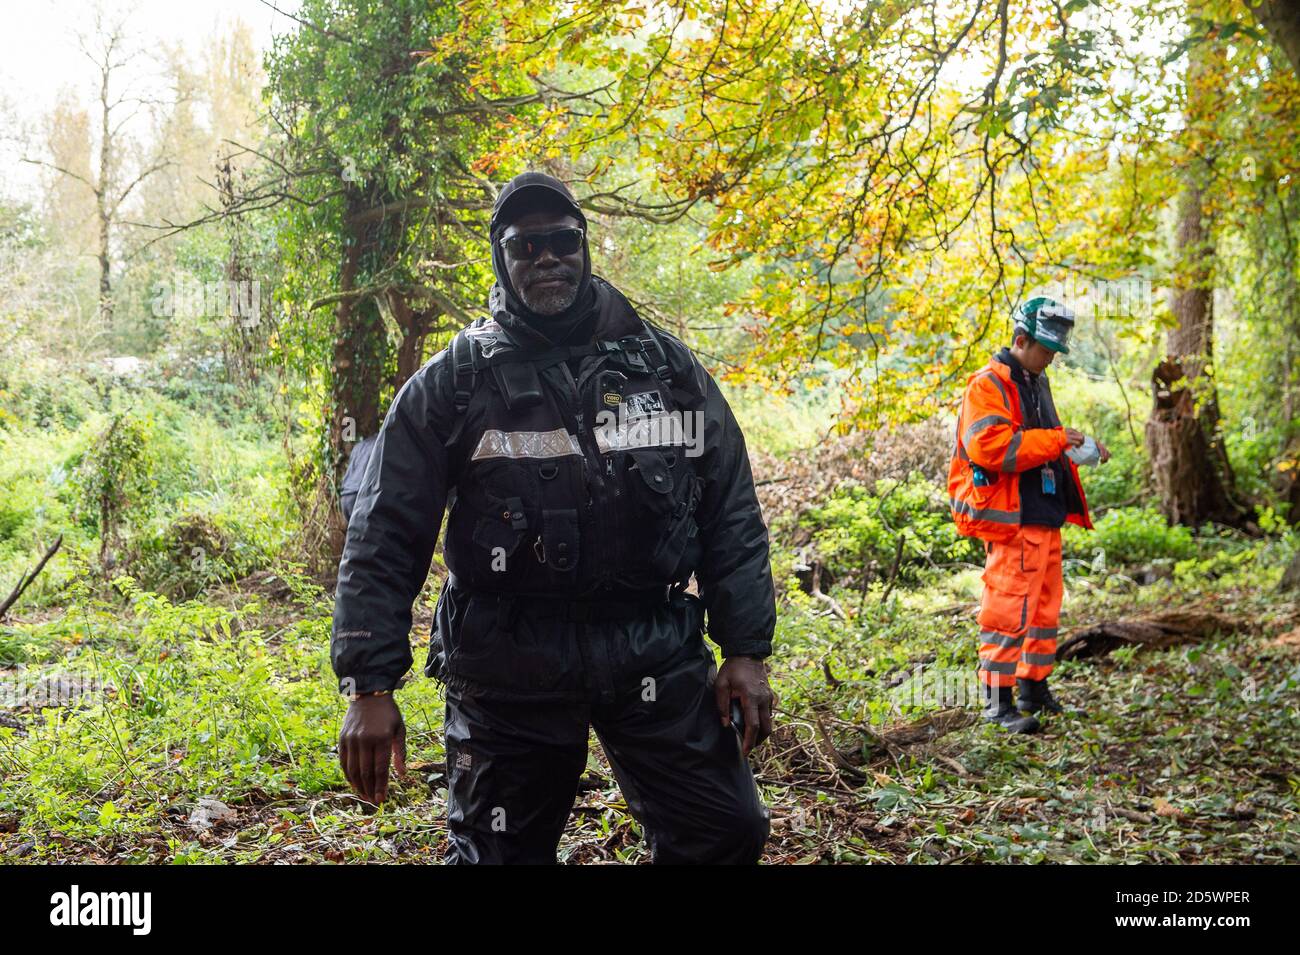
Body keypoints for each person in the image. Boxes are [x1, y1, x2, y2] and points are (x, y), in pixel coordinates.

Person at [330, 171, 777, 863]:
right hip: (511, 660)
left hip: (650, 645)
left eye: (561, 241)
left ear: (584, 247)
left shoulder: (662, 367)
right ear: (502, 260)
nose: (546, 258)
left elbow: (730, 507)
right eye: (525, 245)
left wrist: (745, 650)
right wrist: (368, 681)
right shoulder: (456, 381)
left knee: (725, 830)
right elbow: (384, 529)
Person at [947, 297, 1109, 733]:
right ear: (1021, 340)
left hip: (1043, 515)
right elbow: (993, 447)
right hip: (1011, 518)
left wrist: (1079, 448)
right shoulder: (988, 384)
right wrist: (1057, 441)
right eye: (1046, 349)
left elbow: (1042, 440)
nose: (1052, 357)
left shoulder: (1035, 380)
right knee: (1007, 608)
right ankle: (997, 704)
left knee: (1042, 610)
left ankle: (1034, 690)